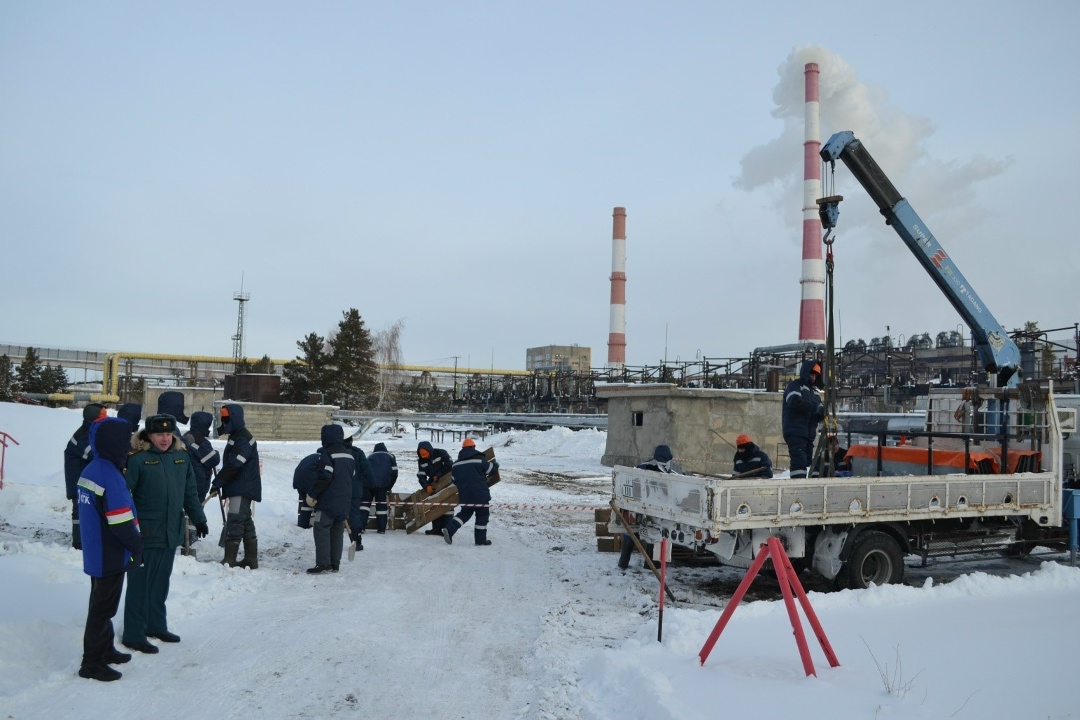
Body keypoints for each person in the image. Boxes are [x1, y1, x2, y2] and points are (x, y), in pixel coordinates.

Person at [121, 414, 208, 654]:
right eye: (159, 434)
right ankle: (133, 633)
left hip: (170, 532)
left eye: (169, 434)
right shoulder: (138, 460)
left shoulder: (181, 458)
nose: (164, 438)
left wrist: (199, 519)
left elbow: (190, 491)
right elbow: (125, 498)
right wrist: (126, 530)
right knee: (139, 585)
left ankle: (156, 625)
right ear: (148, 435)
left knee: (160, 583)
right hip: (145, 533)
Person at [75, 417, 143, 682]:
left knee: (100, 603)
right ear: (114, 442)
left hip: (97, 551)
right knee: (102, 609)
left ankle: (105, 650)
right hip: (110, 553)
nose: (129, 445)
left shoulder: (92, 469)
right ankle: (91, 663)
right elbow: (121, 522)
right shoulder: (110, 476)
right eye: (125, 439)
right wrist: (138, 547)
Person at [211, 403, 262, 569]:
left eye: (226, 418)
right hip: (238, 485)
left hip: (242, 487)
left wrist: (218, 481)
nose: (223, 422)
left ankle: (230, 559)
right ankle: (251, 559)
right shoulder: (236, 435)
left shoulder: (242, 439)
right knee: (245, 520)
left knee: (235, 520)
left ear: (234, 418)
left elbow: (235, 464)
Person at [618, 444, 684, 570]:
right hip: (654, 510)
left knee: (633, 531)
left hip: (639, 507)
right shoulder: (668, 471)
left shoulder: (643, 467)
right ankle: (650, 565)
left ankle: (624, 562)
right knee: (652, 534)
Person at [305, 424, 355, 574]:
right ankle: (335, 563)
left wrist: (313, 494)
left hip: (328, 499)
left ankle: (323, 563)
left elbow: (325, 476)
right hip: (344, 500)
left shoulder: (327, 453)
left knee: (321, 528)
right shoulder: (349, 454)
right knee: (337, 530)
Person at [63, 403, 107, 549]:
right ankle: (79, 544)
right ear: (93, 419)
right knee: (80, 511)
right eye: (102, 416)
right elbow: (96, 456)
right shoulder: (82, 437)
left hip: (89, 480)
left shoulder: (94, 432)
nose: (105, 418)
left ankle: (91, 538)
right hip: (78, 481)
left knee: (92, 511)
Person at [443, 437, 498, 546]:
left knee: (464, 514)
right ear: (473, 447)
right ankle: (480, 540)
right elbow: (491, 470)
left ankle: (449, 529)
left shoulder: (455, 465)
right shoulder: (479, 460)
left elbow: (454, 481)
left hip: (465, 496)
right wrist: (496, 465)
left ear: (463, 449)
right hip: (480, 496)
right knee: (482, 516)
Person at [782, 359, 826, 479]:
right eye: (811, 374)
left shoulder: (815, 393)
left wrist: (822, 413)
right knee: (799, 462)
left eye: (815, 376)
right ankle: (797, 488)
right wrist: (816, 408)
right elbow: (794, 402)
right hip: (795, 432)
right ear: (806, 372)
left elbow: (816, 412)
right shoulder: (795, 386)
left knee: (807, 462)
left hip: (808, 435)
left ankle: (807, 486)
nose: (813, 378)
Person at [356, 442, 398, 534]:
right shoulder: (390, 456)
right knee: (382, 506)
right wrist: (389, 486)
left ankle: (361, 527)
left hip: (367, 484)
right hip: (382, 485)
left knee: (364, 505)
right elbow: (394, 473)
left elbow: (364, 471)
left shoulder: (370, 456)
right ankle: (381, 529)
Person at [416, 440, 454, 536]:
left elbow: (450, 464)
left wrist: (439, 475)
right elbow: (421, 476)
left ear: (429, 450)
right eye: (422, 456)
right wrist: (426, 486)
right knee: (435, 504)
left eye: (426, 455)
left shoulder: (441, 453)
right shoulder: (421, 461)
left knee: (448, 505)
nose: (425, 457)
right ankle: (436, 529)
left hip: (447, 482)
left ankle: (447, 529)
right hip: (434, 484)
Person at [345, 433, 375, 550]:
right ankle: (357, 541)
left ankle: (332, 542)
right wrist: (372, 485)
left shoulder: (333, 451)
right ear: (351, 441)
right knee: (355, 515)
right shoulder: (357, 453)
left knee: (335, 514)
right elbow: (367, 470)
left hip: (337, 490)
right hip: (354, 490)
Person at [182, 411, 219, 503]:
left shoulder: (187, 436)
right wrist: (216, 452)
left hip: (186, 482)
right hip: (198, 483)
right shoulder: (200, 441)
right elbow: (213, 459)